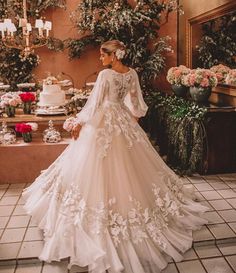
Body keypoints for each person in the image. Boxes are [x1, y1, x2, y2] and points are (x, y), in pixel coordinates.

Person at [23, 40, 208, 273]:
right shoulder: (131, 74)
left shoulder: (105, 76)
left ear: (114, 56)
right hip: (121, 119)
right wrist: (131, 124)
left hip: (103, 121)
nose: (101, 59)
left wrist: (78, 122)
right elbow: (137, 105)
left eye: (103, 55)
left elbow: (95, 104)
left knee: (95, 166)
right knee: (130, 167)